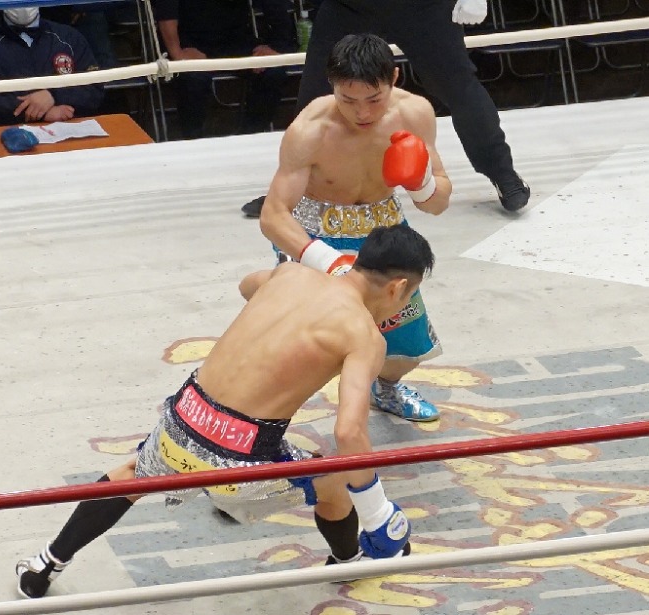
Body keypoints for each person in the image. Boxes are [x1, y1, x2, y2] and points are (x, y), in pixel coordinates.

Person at [15, 224, 435, 599]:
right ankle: (348, 561)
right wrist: (378, 513)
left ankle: (44, 564)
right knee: (334, 482)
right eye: (409, 295)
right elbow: (349, 434)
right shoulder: (363, 335)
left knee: (131, 474)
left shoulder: (290, 275)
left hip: (182, 420)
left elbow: (247, 286)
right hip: (240, 459)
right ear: (397, 287)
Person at [258, 33, 451, 422]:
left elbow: (437, 204)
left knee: (405, 346)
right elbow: (273, 215)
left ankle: (387, 388)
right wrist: (329, 263)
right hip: (316, 233)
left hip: (385, 232)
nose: (362, 112)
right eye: (348, 100)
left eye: (374, 99)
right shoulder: (310, 130)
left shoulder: (415, 114)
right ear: (332, 85)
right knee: (303, 347)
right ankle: (266, 414)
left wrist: (422, 183)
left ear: (393, 78)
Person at [241, 0, 529, 217]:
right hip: (350, 5)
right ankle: (290, 191)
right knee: (316, 91)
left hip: (422, 5)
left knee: (458, 85)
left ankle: (503, 174)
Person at [155, 0, 297, 139]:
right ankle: (194, 143)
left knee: (273, 71)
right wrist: (177, 53)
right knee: (193, 80)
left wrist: (277, 45)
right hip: (190, 42)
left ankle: (249, 138)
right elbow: (166, 10)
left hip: (236, 39)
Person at [0, 7, 104, 134]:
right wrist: (40, 113)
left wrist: (54, 95)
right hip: (6, 137)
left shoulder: (69, 37)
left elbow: (94, 89)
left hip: (71, 134)